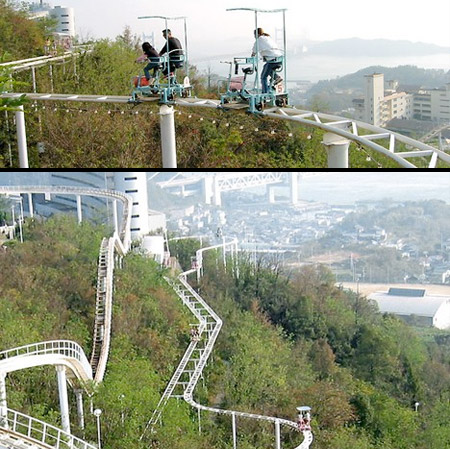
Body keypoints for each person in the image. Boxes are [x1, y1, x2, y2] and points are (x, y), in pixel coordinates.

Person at [251, 28, 283, 94]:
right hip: (279, 59)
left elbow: (254, 51)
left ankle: (265, 93)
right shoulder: (268, 38)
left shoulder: (259, 40)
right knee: (266, 67)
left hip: (272, 60)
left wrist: (253, 55)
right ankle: (277, 77)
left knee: (263, 77)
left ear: (257, 34)